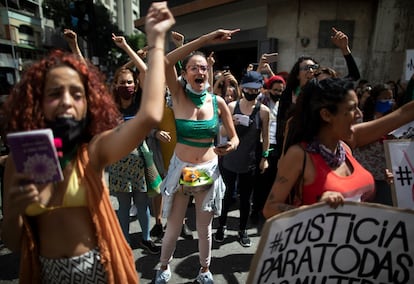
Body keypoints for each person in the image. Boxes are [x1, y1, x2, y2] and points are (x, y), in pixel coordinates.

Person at [0, 2, 174, 283]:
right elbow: (13, 242)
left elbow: (150, 115)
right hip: (47, 275)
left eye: (77, 94)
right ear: (37, 102)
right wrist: (17, 211)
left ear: (88, 104)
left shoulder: (93, 151)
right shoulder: (20, 162)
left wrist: (155, 40)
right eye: (55, 93)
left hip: (101, 271)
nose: (67, 101)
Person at [154, 28, 240, 284]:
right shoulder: (178, 96)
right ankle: (162, 266)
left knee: (204, 228)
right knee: (173, 225)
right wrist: (204, 38)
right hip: (181, 169)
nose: (200, 72)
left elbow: (234, 137)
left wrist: (231, 146)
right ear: (185, 73)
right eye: (194, 68)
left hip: (207, 171)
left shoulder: (218, 102)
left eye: (203, 68)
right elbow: (166, 60)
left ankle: (204, 269)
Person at [263, 77, 414, 219]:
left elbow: (403, 114)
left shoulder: (345, 146)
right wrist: (314, 208)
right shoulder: (299, 155)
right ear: (327, 115)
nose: (359, 114)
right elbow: (270, 208)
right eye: (352, 109)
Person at [107, 33, 160, 254]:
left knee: (142, 204)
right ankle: (125, 242)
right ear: (116, 85)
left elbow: (146, 72)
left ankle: (146, 238)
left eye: (130, 82)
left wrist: (126, 47)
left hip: (140, 160)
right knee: (123, 206)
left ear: (135, 86)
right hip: (119, 160)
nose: (126, 85)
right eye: (122, 82)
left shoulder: (139, 101)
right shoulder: (110, 104)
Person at [275, 27, 360, 161]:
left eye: (314, 67)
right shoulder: (289, 95)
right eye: (306, 68)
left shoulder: (325, 90)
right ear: (297, 74)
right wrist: (283, 156)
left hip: (322, 150)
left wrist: (345, 49)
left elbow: (354, 76)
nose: (311, 71)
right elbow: (281, 128)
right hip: (295, 152)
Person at [214, 71, 270, 247]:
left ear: (259, 90)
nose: (250, 92)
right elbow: (221, 132)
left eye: (254, 90)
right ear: (241, 88)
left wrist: (265, 158)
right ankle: (221, 226)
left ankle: (242, 229)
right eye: (247, 88)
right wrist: (232, 124)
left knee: (246, 198)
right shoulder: (231, 107)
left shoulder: (263, 111)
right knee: (227, 195)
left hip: (250, 161)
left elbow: (266, 137)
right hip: (230, 159)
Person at [251, 74, 285, 222]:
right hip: (262, 144)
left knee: (272, 181)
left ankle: (267, 210)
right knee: (260, 180)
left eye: (281, 90)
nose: (278, 93)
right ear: (269, 89)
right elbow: (254, 91)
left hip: (277, 146)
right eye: (276, 90)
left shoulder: (283, 104)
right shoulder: (262, 101)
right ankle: (255, 210)